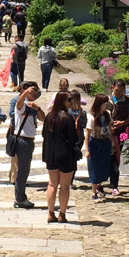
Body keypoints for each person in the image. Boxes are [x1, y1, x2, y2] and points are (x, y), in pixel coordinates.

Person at [42, 90, 79, 223]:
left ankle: (50, 213)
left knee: (52, 184)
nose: (70, 102)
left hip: (51, 154)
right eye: (69, 99)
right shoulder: (67, 117)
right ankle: (62, 214)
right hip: (65, 155)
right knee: (64, 186)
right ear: (62, 101)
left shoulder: (49, 117)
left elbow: (43, 134)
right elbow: (74, 138)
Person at [12, 82, 43, 208]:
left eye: (36, 90)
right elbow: (19, 103)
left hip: (29, 140)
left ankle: (21, 196)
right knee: (23, 171)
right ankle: (19, 198)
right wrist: (25, 92)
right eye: (32, 90)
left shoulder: (32, 106)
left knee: (25, 170)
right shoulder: (22, 104)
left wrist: (38, 108)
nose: (34, 92)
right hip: (23, 140)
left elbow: (43, 118)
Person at [85, 94, 117, 202]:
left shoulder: (107, 115)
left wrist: (112, 142)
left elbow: (110, 128)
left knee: (104, 166)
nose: (106, 105)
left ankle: (100, 186)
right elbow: (87, 134)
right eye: (105, 103)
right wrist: (86, 149)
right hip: (95, 143)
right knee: (94, 167)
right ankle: (94, 192)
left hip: (105, 142)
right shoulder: (92, 117)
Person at [108, 79, 129, 198]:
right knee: (105, 156)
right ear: (113, 87)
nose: (119, 93)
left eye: (121, 91)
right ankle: (100, 183)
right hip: (106, 133)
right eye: (117, 90)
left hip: (119, 134)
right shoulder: (107, 99)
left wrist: (123, 123)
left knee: (115, 157)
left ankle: (114, 184)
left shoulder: (128, 101)